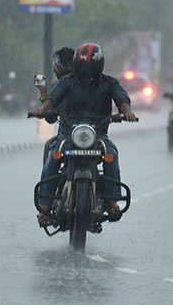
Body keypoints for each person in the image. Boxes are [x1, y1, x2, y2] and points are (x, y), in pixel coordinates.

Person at [29, 43, 137, 226]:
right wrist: (42, 109)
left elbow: (122, 99)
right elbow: (52, 99)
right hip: (67, 135)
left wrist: (127, 112)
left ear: (99, 66)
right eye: (82, 68)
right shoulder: (66, 81)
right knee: (53, 156)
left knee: (111, 154)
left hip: (98, 135)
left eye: (89, 69)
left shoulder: (110, 82)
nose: (85, 74)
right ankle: (45, 207)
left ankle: (111, 201)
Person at [33, 47, 76, 165]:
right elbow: (50, 116)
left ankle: (46, 183)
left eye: (56, 65)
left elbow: (50, 117)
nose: (54, 69)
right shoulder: (90, 83)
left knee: (49, 148)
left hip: (78, 137)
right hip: (82, 137)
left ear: (62, 67)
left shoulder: (58, 85)